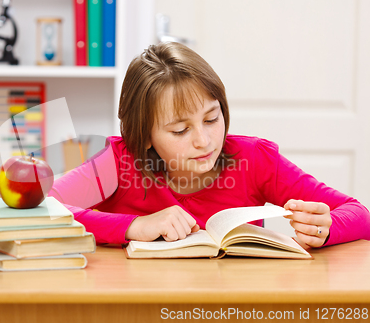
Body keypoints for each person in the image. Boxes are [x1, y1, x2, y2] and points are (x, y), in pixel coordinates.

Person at [48, 42, 370, 248]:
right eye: (179, 131)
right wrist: (133, 225)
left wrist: (326, 228)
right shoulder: (117, 162)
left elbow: (359, 214)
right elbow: (47, 208)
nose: (204, 142)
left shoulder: (255, 159)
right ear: (144, 135)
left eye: (212, 119)